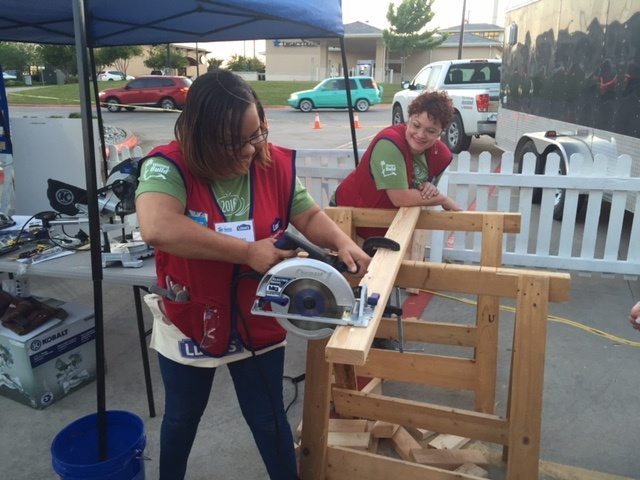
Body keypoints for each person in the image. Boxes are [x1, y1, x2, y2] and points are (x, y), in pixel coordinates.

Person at [135, 70, 370, 480]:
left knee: (268, 420)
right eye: (234, 142)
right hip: (192, 319)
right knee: (180, 421)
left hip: (257, 316)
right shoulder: (167, 166)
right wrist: (248, 252)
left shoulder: (271, 160)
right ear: (201, 136)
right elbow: (157, 227)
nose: (249, 149)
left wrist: (342, 242)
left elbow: (308, 213)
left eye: (256, 133)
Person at [331, 90, 462, 239]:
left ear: (441, 132)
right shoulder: (389, 144)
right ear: (409, 119)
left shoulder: (441, 156)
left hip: (388, 227)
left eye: (430, 131)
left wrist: (429, 188)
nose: (420, 134)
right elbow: (401, 198)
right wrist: (442, 199)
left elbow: (423, 194)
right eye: (416, 125)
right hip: (348, 218)